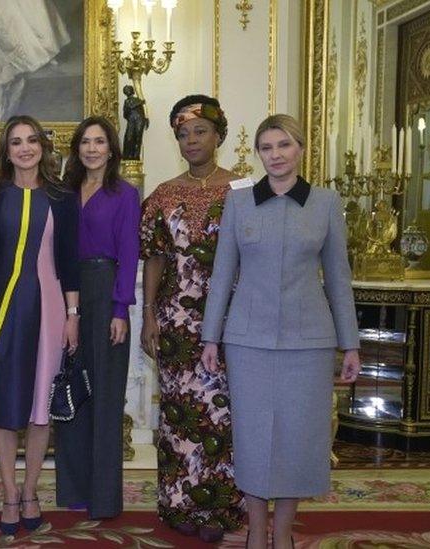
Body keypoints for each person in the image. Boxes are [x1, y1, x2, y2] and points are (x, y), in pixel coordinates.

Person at [200, 114, 361, 549]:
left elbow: (339, 278)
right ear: (259, 154)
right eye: (267, 148)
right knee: (253, 439)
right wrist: (210, 337)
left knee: (297, 440)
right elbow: (222, 273)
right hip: (247, 341)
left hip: (309, 343)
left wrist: (351, 344)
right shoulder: (238, 203)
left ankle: (284, 533)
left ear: (301, 149)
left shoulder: (327, 204)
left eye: (284, 146)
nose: (276, 156)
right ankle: (255, 530)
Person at [0, 115, 79, 535]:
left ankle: (31, 492)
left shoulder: (63, 197)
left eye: (32, 140)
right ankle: (9, 492)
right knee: (4, 404)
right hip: (2, 308)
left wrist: (72, 315)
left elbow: (69, 261)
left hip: (49, 309)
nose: (25, 148)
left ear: (43, 147)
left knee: (38, 405)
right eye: (16, 142)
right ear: (6, 150)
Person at [139, 95, 246, 541]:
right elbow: (155, 259)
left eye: (200, 131)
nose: (191, 141)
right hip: (177, 323)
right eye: (183, 134)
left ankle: (222, 509)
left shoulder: (243, 190)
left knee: (224, 415)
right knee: (180, 415)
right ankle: (180, 503)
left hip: (232, 320)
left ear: (218, 134)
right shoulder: (163, 194)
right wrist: (148, 315)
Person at [54, 116, 140, 519]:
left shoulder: (124, 193)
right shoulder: (64, 192)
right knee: (72, 388)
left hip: (107, 292)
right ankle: (74, 490)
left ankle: (104, 499)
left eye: (99, 141)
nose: (91, 149)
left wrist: (121, 308)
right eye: (85, 142)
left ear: (111, 149)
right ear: (77, 148)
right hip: (66, 293)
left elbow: (129, 253)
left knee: (104, 395)